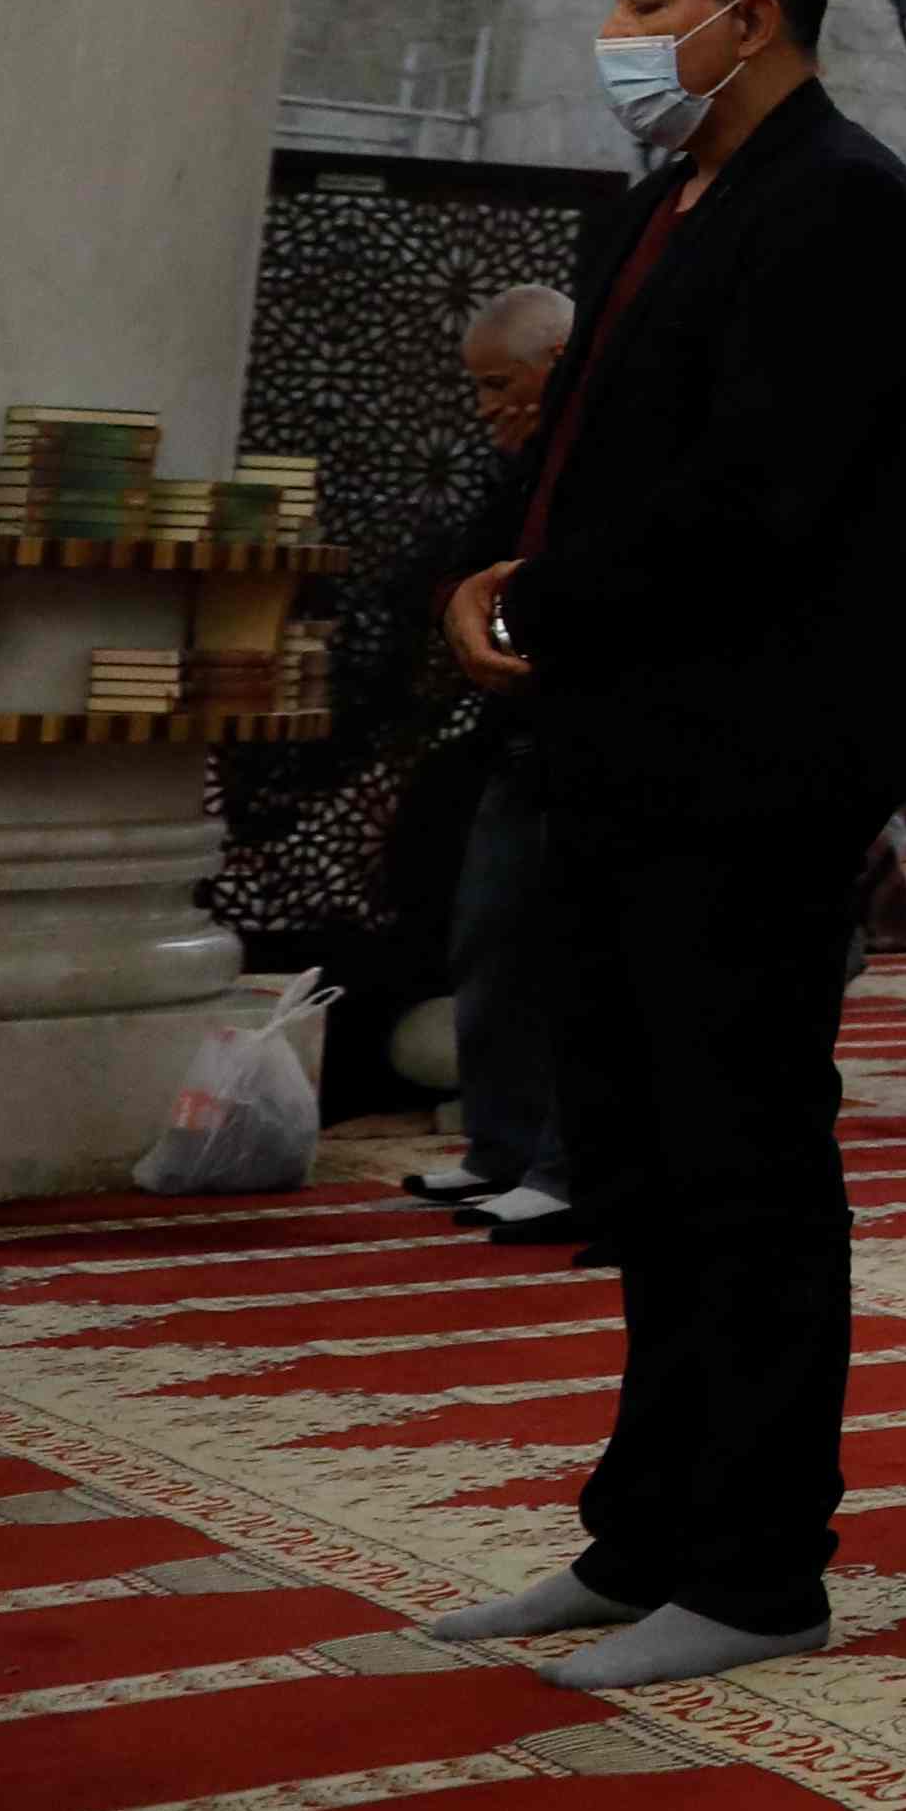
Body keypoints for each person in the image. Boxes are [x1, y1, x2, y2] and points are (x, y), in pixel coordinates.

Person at [406, 0, 906, 1692]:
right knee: (641, 1155)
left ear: (756, 18)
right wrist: (489, 575)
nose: (622, 28)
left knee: (746, 1161)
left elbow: (755, 496)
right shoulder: (658, 204)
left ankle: (759, 1566)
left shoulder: (843, 203)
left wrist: (548, 603)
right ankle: (640, 1540)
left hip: (757, 757)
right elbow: (574, 454)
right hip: (624, 749)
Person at [399, 286, 576, 1226]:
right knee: (493, 938)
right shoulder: (518, 471)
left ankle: (561, 1168)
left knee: (569, 954)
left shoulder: (604, 450)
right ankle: (501, 1145)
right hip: (520, 733)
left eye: (498, 384)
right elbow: (458, 571)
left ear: (557, 364)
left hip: (596, 734)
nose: (484, 408)